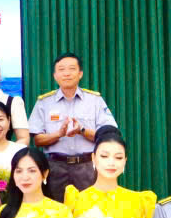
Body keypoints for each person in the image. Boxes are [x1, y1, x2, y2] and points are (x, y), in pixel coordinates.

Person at [28, 52, 117, 201]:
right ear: (55, 76)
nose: (67, 73)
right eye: (61, 69)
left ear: (80, 74)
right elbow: (37, 140)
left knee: (90, 210)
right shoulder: (44, 102)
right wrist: (58, 134)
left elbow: (108, 135)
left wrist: (82, 130)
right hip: (55, 168)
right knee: (56, 211)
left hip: (87, 166)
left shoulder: (94, 100)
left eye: (71, 69)